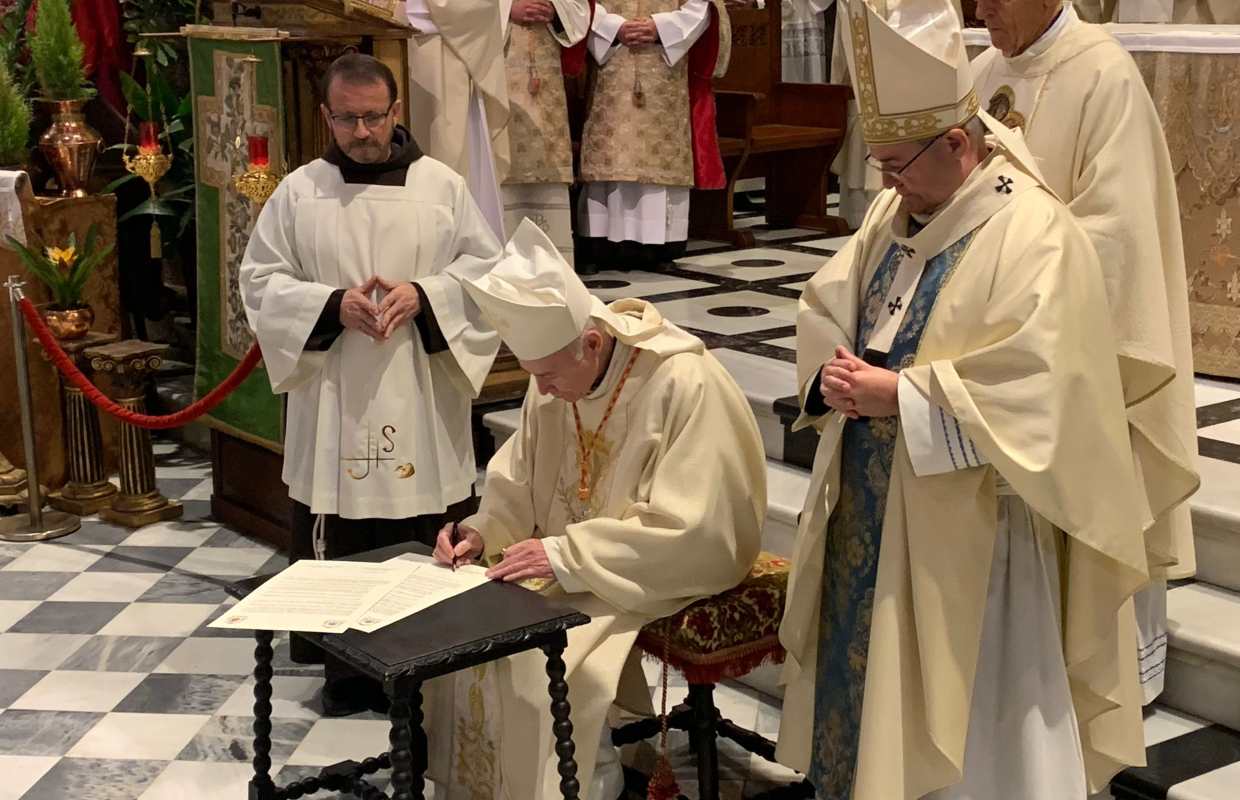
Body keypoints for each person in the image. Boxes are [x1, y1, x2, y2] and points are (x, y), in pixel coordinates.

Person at [774, 2, 1152, 798]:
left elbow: (1045, 387)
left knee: (975, 736)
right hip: (872, 509)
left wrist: (904, 395)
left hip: (975, 533)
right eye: (877, 167)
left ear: (958, 142)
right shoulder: (897, 206)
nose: (887, 186)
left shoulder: (1034, 232)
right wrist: (835, 372)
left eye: (899, 166)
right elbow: (829, 299)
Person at [421, 219, 766, 799]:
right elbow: (520, 477)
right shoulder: (555, 377)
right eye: (535, 377)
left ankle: (584, 788)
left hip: (652, 565)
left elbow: (699, 527)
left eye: (550, 375)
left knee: (538, 666)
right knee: (461, 639)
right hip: (571, 564)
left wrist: (566, 553)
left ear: (593, 342)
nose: (544, 391)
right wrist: (482, 531)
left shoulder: (683, 380)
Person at [239, 53, 502, 716]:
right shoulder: (301, 191)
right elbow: (259, 282)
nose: (362, 131)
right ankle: (347, 672)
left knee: (424, 524)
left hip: (419, 392)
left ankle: (434, 665)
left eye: (373, 116)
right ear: (326, 116)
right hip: (335, 397)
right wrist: (331, 306)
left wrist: (427, 292)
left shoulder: (441, 187)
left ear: (395, 112)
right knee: (343, 531)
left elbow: (489, 277)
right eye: (348, 118)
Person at [973, 0, 1199, 705]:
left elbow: (1117, 236)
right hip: (992, 358)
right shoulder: (979, 74)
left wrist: (1010, 278)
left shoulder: (1105, 76)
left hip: (1076, 357)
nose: (980, 11)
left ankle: (1107, 685)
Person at [576, 0, 730, 271]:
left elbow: (702, 6)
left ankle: (657, 247)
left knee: (658, 153)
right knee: (610, 151)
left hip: (664, 67)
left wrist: (660, 28)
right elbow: (581, 4)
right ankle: (599, 243)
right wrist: (614, 28)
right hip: (612, 64)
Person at [405, 0, 511, 239]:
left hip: (445, 57)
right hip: (390, 48)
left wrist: (405, 8)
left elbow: (479, 6)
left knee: (447, 154)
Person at [502, 0, 591, 268]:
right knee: (502, 152)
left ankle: (552, 270)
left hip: (545, 69)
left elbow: (579, 8)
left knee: (547, 153)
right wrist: (507, 8)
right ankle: (501, 266)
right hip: (497, 61)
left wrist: (556, 11)